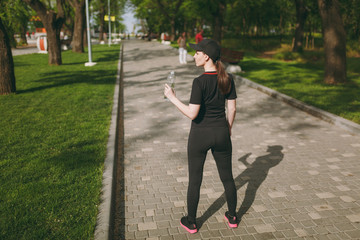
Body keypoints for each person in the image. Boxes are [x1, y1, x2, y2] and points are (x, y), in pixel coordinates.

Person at [164, 39, 238, 234]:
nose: (194, 55)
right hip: (222, 133)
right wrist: (228, 128)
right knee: (228, 178)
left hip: (200, 136)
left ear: (206, 56)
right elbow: (232, 108)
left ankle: (191, 222)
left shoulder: (199, 82)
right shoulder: (228, 78)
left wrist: (172, 98)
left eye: (197, 52)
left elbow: (192, 113)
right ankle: (232, 217)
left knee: (195, 180)